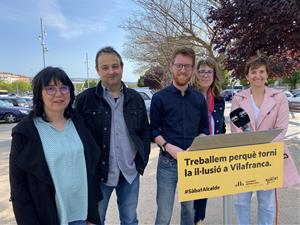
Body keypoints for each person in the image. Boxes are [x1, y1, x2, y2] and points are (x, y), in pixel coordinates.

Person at [9, 67, 102, 225]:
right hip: (48, 217)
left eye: (63, 87)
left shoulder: (80, 122)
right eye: (50, 88)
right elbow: (19, 188)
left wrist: (93, 215)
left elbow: (92, 168)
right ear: (39, 93)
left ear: (70, 92)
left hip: (83, 216)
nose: (58, 94)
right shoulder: (25, 132)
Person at [75, 46, 151, 225]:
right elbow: (78, 137)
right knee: (96, 220)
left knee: (130, 219)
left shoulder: (135, 98)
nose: (111, 71)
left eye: (115, 66)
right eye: (105, 67)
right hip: (99, 175)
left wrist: (141, 161)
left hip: (129, 173)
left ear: (122, 67)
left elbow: (144, 132)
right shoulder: (85, 100)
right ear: (98, 70)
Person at [230, 56, 300, 225]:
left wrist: (264, 151)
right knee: (241, 201)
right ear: (247, 76)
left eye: (262, 71)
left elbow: (281, 128)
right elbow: (236, 129)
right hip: (244, 158)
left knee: (267, 204)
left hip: (269, 157)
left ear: (267, 75)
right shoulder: (239, 98)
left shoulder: (279, 97)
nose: (257, 75)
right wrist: (251, 149)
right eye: (253, 72)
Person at [150, 47, 210, 225]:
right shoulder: (159, 98)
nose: (183, 70)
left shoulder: (199, 99)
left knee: (189, 213)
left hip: (192, 163)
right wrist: (168, 146)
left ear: (192, 70)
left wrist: (197, 144)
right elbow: (153, 131)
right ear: (171, 67)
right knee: (163, 214)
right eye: (179, 65)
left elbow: (204, 129)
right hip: (167, 164)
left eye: (187, 66)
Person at [191, 57, 226, 225]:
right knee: (191, 193)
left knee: (204, 190)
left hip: (211, 153)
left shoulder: (219, 99)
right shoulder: (188, 96)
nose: (205, 75)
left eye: (209, 72)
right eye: (202, 71)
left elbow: (222, 126)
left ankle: (198, 220)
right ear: (196, 74)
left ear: (214, 75)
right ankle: (191, 219)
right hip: (193, 152)